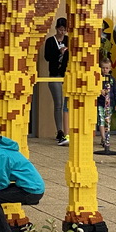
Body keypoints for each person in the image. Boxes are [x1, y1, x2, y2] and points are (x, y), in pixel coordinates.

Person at [44, 18, 69, 146]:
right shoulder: (50, 41)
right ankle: (60, 131)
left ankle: (68, 131)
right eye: (60, 29)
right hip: (54, 75)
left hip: (67, 76)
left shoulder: (68, 40)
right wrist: (58, 52)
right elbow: (47, 56)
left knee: (67, 105)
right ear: (56, 28)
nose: (62, 32)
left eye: (64, 29)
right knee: (59, 104)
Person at [96, 57, 116, 147]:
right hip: (101, 103)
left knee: (107, 121)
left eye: (107, 68)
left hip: (110, 104)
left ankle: (106, 137)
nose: (105, 70)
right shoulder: (98, 79)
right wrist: (99, 91)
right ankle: (103, 138)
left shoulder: (112, 80)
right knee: (101, 120)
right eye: (103, 67)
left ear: (110, 68)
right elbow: (95, 89)